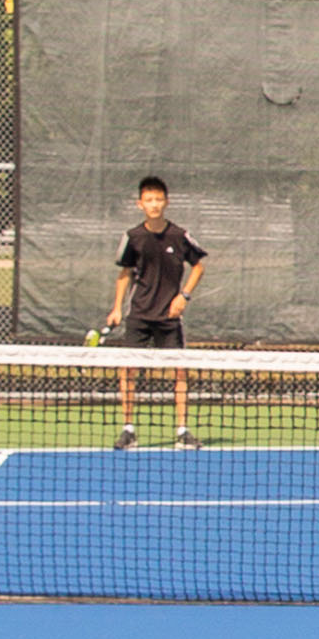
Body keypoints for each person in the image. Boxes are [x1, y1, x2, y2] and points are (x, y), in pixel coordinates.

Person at [102, 176, 216, 448]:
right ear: (140, 204)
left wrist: (183, 296)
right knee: (128, 371)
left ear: (166, 202)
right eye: (149, 200)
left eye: (158, 199)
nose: (154, 205)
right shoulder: (133, 237)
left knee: (179, 372)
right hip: (139, 315)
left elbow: (198, 266)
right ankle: (128, 430)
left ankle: (182, 431)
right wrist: (117, 308)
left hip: (169, 318)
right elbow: (125, 274)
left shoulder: (179, 235)